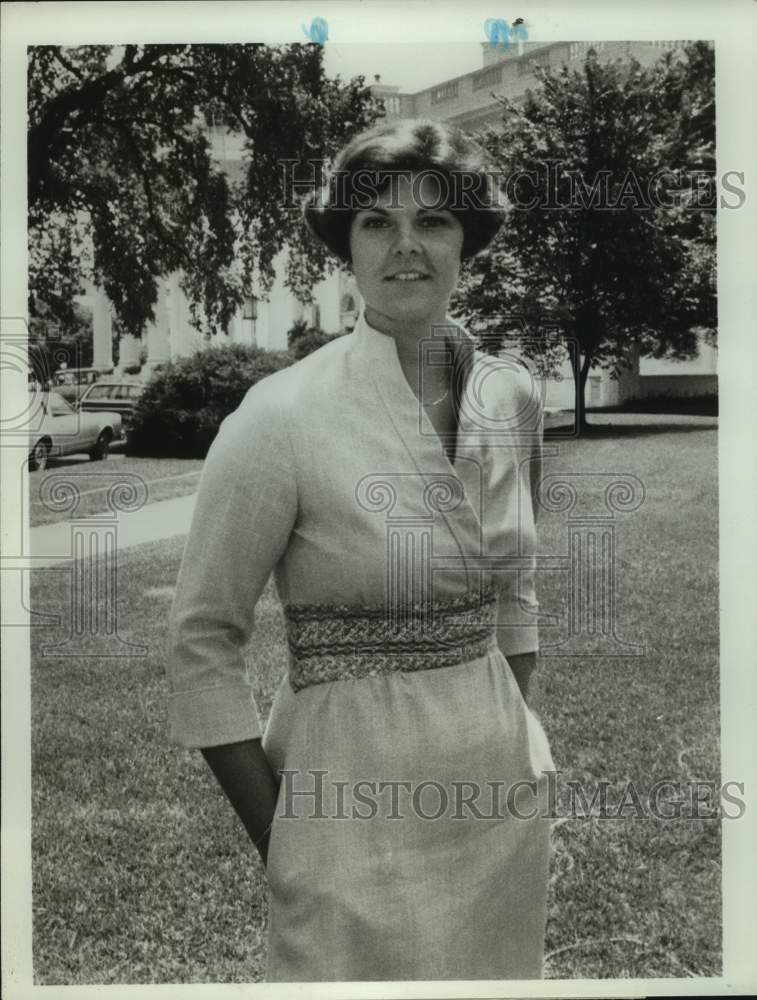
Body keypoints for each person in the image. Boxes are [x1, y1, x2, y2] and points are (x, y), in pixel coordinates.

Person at [166, 118, 554, 982]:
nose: (405, 246)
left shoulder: (511, 396)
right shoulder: (281, 415)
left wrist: (515, 730)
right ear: (344, 243)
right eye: (376, 221)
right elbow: (200, 644)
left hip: (499, 811)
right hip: (343, 814)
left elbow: (516, 588)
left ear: (470, 241)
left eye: (435, 221)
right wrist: (287, 841)